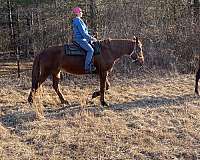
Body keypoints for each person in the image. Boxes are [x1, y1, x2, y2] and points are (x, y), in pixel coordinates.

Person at [72, 7, 97, 74]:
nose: (82, 13)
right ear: (77, 13)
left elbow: (85, 32)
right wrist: (91, 38)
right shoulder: (77, 20)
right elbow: (83, 33)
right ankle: (87, 67)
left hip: (83, 38)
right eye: (80, 12)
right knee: (90, 50)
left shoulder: (79, 20)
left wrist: (91, 36)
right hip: (80, 39)